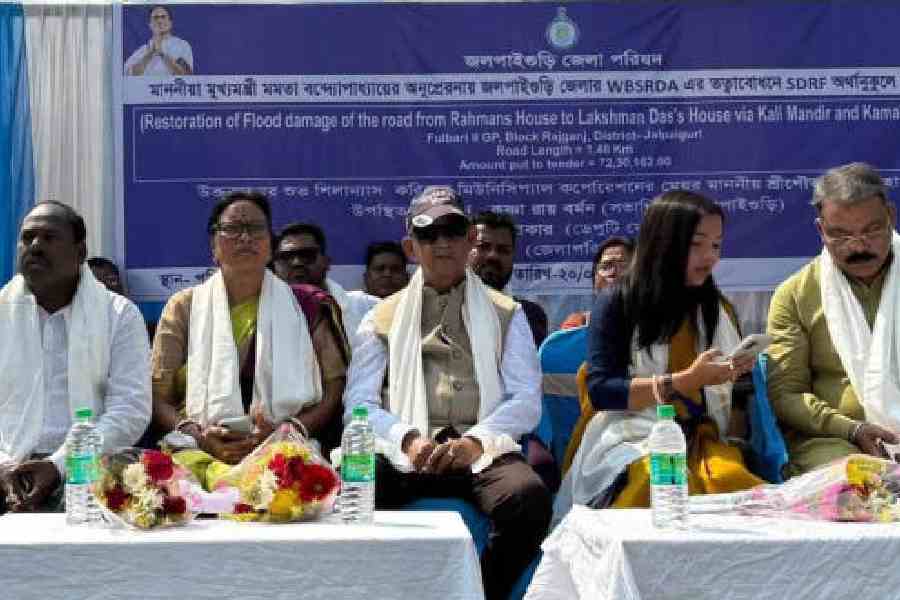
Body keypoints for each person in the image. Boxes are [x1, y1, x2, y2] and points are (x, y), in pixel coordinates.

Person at [344, 186, 551, 600]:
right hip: (409, 453)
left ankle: (482, 591)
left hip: (482, 451)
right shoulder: (378, 319)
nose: (442, 242)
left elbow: (526, 400)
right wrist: (407, 438)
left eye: (453, 230)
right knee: (352, 488)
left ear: (470, 239)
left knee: (528, 499)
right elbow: (359, 406)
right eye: (428, 233)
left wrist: (474, 443)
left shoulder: (508, 314)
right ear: (411, 246)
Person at [554, 191, 762, 522]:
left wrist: (733, 373)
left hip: (701, 437)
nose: (709, 257)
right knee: (657, 483)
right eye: (696, 244)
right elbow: (602, 391)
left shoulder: (716, 310)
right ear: (664, 242)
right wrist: (684, 382)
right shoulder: (617, 303)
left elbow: (739, 398)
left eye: (716, 246)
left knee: (731, 483)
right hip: (630, 435)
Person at [150, 192, 349, 488]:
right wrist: (200, 436)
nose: (245, 238)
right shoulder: (184, 307)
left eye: (256, 229)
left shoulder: (306, 306)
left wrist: (289, 430)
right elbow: (156, 394)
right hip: (199, 451)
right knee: (172, 485)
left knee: (292, 485)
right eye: (232, 229)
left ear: (270, 245)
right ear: (213, 247)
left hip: (285, 448)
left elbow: (335, 387)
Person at [0, 202, 151, 513]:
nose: (36, 247)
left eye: (50, 237)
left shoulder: (119, 315)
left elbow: (130, 409)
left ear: (80, 252)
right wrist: (4, 466)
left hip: (88, 471)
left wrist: (60, 465)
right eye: (28, 238)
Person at [767, 163, 900, 476]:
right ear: (820, 230)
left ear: (890, 217)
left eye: (870, 230)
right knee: (856, 481)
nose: (857, 246)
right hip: (837, 439)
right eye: (840, 235)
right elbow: (786, 393)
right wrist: (852, 429)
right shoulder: (796, 295)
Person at [272, 222, 377, 347]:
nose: (296, 263)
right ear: (275, 267)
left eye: (307, 255)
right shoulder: (264, 317)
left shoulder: (366, 308)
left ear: (326, 262)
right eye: (287, 257)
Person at [469, 211, 548, 347]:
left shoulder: (530, 316)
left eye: (503, 250)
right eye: (483, 247)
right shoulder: (448, 308)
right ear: (466, 251)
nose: (493, 256)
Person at [559, 236, 635, 330]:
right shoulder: (578, 324)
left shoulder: (651, 326)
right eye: (606, 266)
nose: (613, 272)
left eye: (622, 266)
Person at [124, 5, 193, 76]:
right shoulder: (143, 50)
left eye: (163, 17)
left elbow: (186, 75)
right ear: (150, 25)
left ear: (170, 23)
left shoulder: (182, 45)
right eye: (155, 18)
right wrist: (149, 54)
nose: (159, 21)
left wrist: (162, 54)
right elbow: (129, 75)